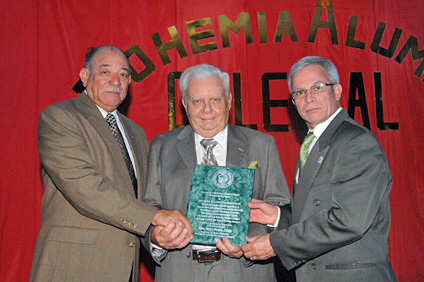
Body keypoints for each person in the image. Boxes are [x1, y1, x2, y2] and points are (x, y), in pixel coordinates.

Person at [30, 45, 192, 282]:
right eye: (106, 72)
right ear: (85, 76)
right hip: (73, 266)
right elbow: (85, 187)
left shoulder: (135, 132)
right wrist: (156, 216)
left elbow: (141, 200)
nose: (116, 81)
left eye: (124, 74)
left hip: (124, 269)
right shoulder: (59, 117)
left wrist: (157, 235)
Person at [241, 56, 397, 281]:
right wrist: (277, 216)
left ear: (338, 91)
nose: (309, 98)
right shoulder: (314, 142)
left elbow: (348, 220)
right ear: (293, 102)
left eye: (317, 87)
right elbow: (316, 212)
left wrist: (277, 244)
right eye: (299, 92)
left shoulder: (355, 142)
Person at [143, 64, 291, 281]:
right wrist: (156, 238)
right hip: (179, 272)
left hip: (245, 272)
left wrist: (247, 243)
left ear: (229, 101)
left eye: (215, 99)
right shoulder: (161, 146)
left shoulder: (262, 144)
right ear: (184, 104)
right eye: (197, 101)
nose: (207, 109)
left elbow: (279, 213)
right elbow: (146, 211)